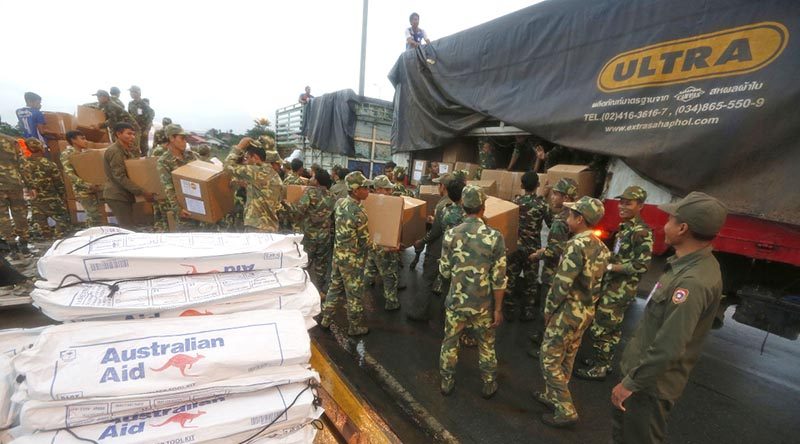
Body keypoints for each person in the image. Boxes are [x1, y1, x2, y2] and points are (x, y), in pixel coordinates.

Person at [611, 192, 727, 444]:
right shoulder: (689, 265)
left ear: (683, 228)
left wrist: (630, 383)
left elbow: (669, 346)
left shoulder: (691, 282)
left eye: (671, 219)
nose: (665, 224)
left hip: (648, 388)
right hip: (645, 380)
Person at [535, 196, 610, 428]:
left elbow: (561, 284)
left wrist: (548, 310)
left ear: (580, 219)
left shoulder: (576, 245)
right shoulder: (602, 247)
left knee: (548, 359)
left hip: (567, 311)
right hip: (585, 311)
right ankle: (553, 396)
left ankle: (566, 409)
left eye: (571, 215)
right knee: (567, 356)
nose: (567, 218)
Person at [576, 186, 653, 381]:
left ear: (641, 206)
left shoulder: (641, 232)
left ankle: (600, 367)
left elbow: (641, 265)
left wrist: (610, 268)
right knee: (611, 328)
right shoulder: (625, 227)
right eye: (622, 202)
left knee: (602, 327)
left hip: (620, 290)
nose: (622, 206)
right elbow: (620, 256)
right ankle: (603, 361)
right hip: (613, 286)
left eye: (628, 203)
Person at [439, 185, 507, 398]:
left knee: (450, 342)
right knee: (486, 344)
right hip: (483, 306)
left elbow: (444, 271)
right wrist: (498, 309)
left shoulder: (451, 235)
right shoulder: (495, 237)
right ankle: (488, 383)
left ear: (462, 207)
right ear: (483, 207)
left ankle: (447, 381)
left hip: (456, 303)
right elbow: (499, 278)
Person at [319, 171, 373, 336]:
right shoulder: (359, 213)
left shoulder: (340, 203)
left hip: (338, 256)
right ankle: (354, 327)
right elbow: (365, 243)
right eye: (365, 187)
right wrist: (384, 247)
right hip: (352, 261)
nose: (368, 190)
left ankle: (325, 320)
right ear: (356, 191)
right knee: (354, 295)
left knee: (334, 288)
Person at [407, 172, 456, 321]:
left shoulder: (442, 204)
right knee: (448, 283)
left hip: (438, 248)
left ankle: (419, 313)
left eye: (438, 185)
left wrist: (422, 240)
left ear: (443, 187)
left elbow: (436, 231)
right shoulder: (460, 203)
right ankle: (442, 314)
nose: (437, 187)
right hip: (453, 249)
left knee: (427, 280)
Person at [504, 171, 548, 321]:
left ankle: (508, 310)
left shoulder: (515, 202)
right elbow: (551, 223)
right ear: (538, 185)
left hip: (515, 248)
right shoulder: (542, 204)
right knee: (531, 283)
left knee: (510, 279)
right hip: (532, 250)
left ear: (521, 185)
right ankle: (527, 312)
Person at [285, 169, 335, 295]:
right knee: (321, 265)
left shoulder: (310, 192)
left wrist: (287, 204)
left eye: (313, 177)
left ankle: (300, 289)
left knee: (304, 262)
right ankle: (320, 291)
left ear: (317, 181)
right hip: (325, 236)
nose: (310, 179)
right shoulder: (332, 196)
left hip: (309, 235)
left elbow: (299, 211)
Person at [224, 138, 284, 232]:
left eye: (247, 158)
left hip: (256, 227)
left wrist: (239, 146)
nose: (246, 162)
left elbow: (228, 166)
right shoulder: (274, 175)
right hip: (271, 227)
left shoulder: (256, 172)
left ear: (255, 157)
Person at [102, 123, 154, 229]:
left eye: (133, 134)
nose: (132, 137)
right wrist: (142, 191)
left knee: (133, 226)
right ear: (118, 134)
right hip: (118, 195)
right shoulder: (115, 151)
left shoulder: (129, 149)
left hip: (127, 194)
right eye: (129, 134)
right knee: (127, 227)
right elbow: (119, 176)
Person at [366, 175, 402, 311]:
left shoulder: (367, 201)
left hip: (372, 243)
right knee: (389, 275)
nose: (389, 192)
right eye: (386, 189)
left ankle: (365, 287)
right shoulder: (387, 204)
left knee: (370, 267)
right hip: (385, 246)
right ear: (379, 189)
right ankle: (391, 302)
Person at [21, 139, 69, 239]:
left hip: (34, 200)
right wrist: (63, 195)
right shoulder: (49, 164)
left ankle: (47, 238)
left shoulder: (23, 165)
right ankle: (59, 238)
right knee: (62, 218)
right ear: (40, 148)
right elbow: (58, 182)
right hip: (50, 197)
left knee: (40, 221)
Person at [157, 125, 199, 231]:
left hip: (199, 203)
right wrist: (178, 209)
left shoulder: (191, 156)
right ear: (171, 138)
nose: (185, 142)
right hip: (183, 208)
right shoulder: (164, 161)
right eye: (182, 138)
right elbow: (168, 188)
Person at [61, 130, 104, 227]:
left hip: (94, 187)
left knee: (96, 215)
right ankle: (92, 235)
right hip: (83, 190)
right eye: (82, 138)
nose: (86, 141)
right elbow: (70, 174)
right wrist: (87, 185)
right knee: (93, 215)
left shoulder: (84, 152)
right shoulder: (67, 154)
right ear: (73, 140)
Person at [0, 135, 31, 257]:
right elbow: (23, 164)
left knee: (2, 218)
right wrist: (29, 184)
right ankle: (24, 244)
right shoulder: (12, 141)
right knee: (20, 214)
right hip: (14, 183)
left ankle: (12, 246)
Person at [128, 85, 155, 157]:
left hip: (142, 130)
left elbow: (151, 116)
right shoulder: (130, 104)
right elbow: (129, 116)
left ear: (138, 93)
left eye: (133, 92)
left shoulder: (143, 104)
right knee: (133, 148)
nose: (131, 94)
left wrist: (147, 130)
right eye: (130, 92)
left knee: (144, 148)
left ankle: (144, 164)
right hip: (133, 130)